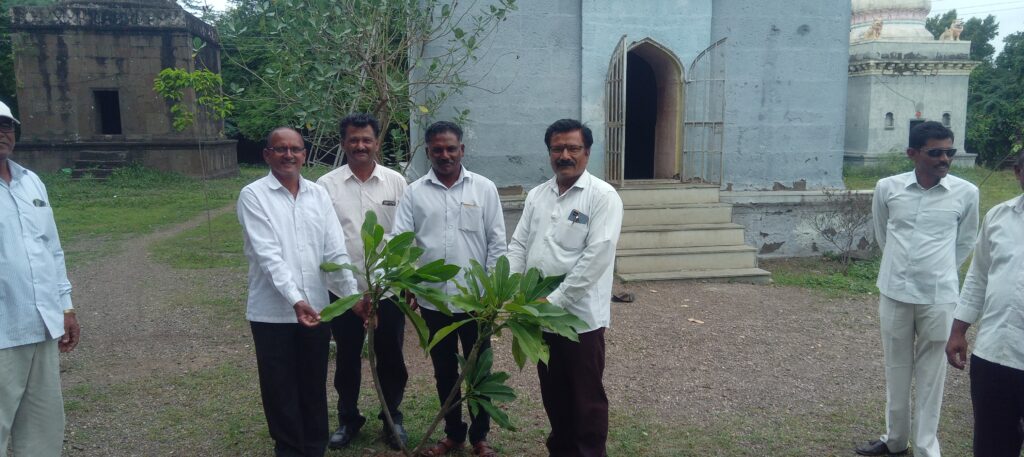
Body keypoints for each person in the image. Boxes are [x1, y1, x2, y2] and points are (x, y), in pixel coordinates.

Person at [856, 121, 979, 457]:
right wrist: (901, 268)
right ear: (912, 153)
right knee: (896, 368)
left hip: (938, 297)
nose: (945, 159)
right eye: (935, 152)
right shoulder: (887, 188)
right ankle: (895, 440)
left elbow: (966, 242)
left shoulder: (966, 193)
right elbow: (883, 234)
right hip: (895, 291)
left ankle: (926, 447)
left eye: (949, 152)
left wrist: (937, 270)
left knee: (931, 374)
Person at [238, 127, 360, 457]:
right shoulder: (253, 195)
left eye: (295, 149)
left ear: (304, 155)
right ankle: (289, 449)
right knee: (279, 386)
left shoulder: (318, 195)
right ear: (267, 154)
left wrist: (351, 297)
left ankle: (315, 448)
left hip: (317, 309)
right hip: (272, 313)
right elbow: (268, 256)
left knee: (313, 383)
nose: (288, 155)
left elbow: (335, 250)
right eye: (280, 149)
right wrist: (296, 300)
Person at [506, 118, 623, 457]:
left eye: (573, 148)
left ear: (587, 152)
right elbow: (519, 245)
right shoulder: (537, 195)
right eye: (557, 148)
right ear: (549, 153)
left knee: (585, 399)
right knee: (554, 393)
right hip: (538, 316)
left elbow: (596, 258)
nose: (565, 155)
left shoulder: (602, 196)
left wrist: (554, 301)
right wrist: (510, 290)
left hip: (579, 320)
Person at [391, 121, 506, 457]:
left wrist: (491, 292)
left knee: (479, 372)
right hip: (434, 302)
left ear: (462, 150)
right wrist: (410, 280)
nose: (445, 155)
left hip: (476, 302)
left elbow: (497, 243)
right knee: (444, 372)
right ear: (428, 151)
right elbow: (401, 241)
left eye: (451, 148)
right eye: (437, 149)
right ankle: (454, 433)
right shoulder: (414, 192)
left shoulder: (484, 188)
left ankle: (480, 437)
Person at [315, 113, 410, 450]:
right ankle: (348, 418)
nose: (360, 145)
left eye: (366, 139)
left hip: (388, 289)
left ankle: (392, 418)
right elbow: (326, 241)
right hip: (343, 290)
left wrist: (382, 287)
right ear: (343, 143)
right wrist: (353, 294)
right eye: (353, 140)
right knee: (347, 357)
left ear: (377, 143)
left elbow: (405, 236)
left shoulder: (396, 183)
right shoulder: (325, 186)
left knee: (391, 355)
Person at [0, 100, 80, 456]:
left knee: (43, 429)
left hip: (42, 324)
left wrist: (66, 306)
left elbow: (52, 249)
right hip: (3, 330)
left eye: (6, 125)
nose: (1, 133)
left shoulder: (31, 182)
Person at [946, 151, 1024, 457]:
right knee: (992, 445)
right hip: (995, 354)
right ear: (1018, 172)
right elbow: (978, 277)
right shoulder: (999, 217)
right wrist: (958, 330)